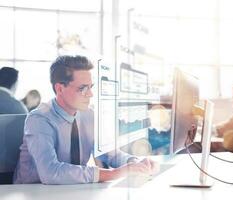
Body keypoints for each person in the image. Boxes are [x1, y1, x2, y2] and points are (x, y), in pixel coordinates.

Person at [14, 55, 158, 184]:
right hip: (32, 192)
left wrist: (135, 163)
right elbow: (50, 172)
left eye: (91, 87)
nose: (90, 94)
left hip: (71, 191)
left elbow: (109, 154)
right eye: (83, 88)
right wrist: (113, 173)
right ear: (59, 89)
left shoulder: (88, 114)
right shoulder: (39, 119)